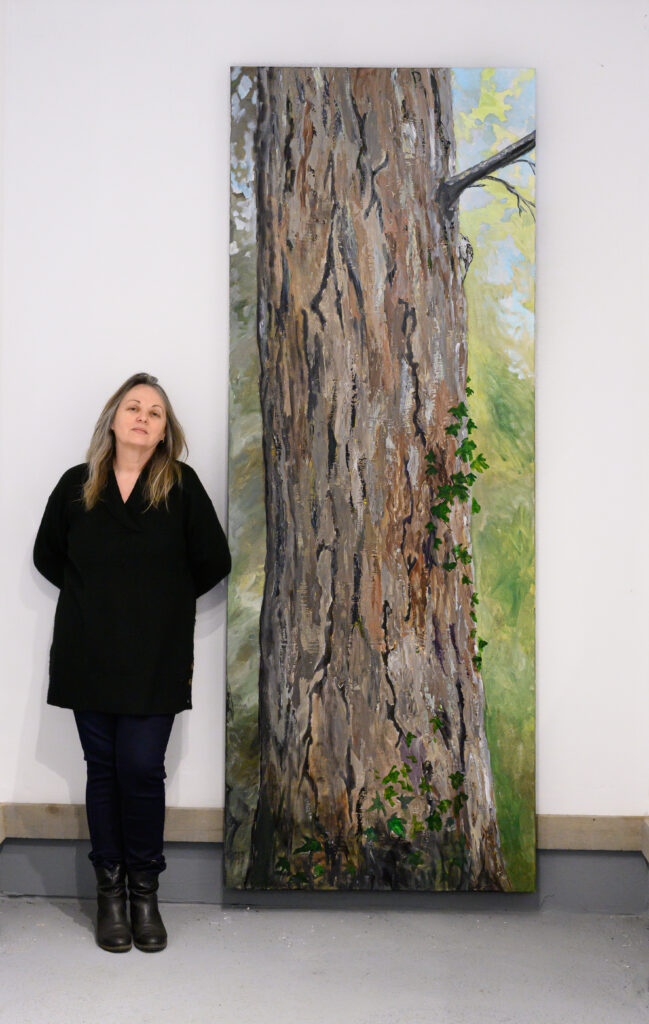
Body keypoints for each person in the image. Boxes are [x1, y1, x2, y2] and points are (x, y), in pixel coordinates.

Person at [33, 372, 231, 953]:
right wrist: (93, 599)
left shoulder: (181, 487)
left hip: (156, 655)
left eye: (155, 412)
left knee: (141, 769)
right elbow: (48, 556)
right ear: (113, 420)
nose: (143, 417)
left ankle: (145, 894)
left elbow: (214, 560)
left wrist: (161, 604)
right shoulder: (76, 485)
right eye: (133, 407)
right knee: (102, 771)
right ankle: (110, 897)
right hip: (87, 652)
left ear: (165, 431)